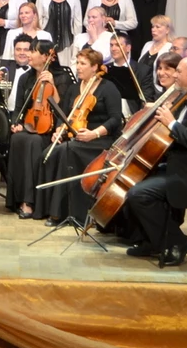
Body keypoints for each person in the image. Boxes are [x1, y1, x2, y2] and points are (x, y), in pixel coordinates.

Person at [111, 56, 187, 266]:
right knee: (132, 183)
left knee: (140, 194)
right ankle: (151, 241)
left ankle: (177, 242)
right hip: (181, 166)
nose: (175, 75)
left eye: (179, 71)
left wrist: (172, 124)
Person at [37, 47, 123, 226]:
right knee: (48, 153)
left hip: (100, 139)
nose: (78, 67)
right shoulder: (75, 88)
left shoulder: (108, 88)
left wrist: (94, 133)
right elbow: (64, 114)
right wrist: (59, 130)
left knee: (66, 151)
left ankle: (61, 213)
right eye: (77, 63)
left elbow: (115, 119)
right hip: (77, 137)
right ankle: (47, 208)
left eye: (83, 64)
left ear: (95, 67)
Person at [4, 38, 62, 218]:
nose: (28, 55)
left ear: (46, 56)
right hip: (30, 124)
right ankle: (17, 198)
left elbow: (62, 109)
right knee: (17, 138)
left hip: (50, 128)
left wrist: (52, 84)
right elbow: (19, 107)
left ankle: (30, 201)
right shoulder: (25, 78)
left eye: (33, 51)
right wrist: (16, 123)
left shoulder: (61, 77)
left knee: (34, 142)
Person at [36, 0, 79, 65]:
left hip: (68, 43)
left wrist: (77, 42)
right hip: (47, 43)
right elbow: (37, 19)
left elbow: (77, 21)